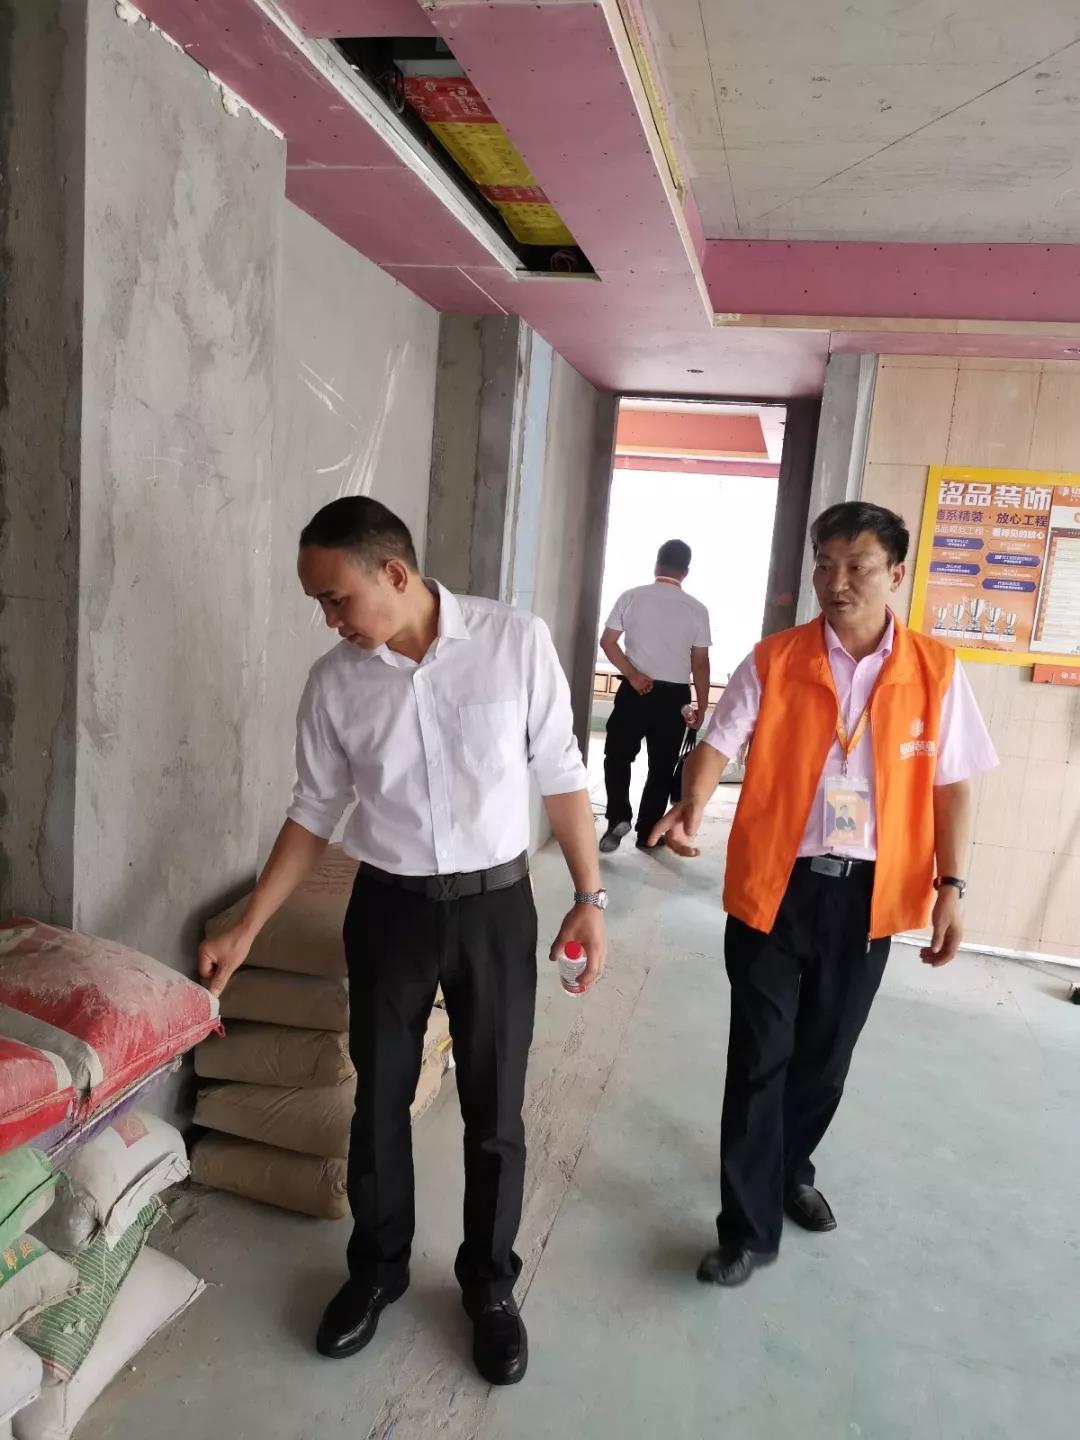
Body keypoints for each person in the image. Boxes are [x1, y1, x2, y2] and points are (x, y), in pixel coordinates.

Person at [198, 497, 608, 1385]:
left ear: (394, 572)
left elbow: (561, 771)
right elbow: (314, 812)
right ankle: (378, 1269)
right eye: (319, 604)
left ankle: (489, 1287)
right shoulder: (334, 684)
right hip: (389, 911)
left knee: (494, 1109)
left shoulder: (514, 642)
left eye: (336, 598)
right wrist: (248, 925)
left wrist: (589, 896)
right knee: (379, 1100)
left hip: (496, 909)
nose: (330, 620)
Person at [650, 501, 998, 1287]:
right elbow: (718, 742)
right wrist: (693, 803)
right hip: (775, 888)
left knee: (825, 1061)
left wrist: (951, 885)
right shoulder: (775, 659)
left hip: (870, 896)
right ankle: (746, 1231)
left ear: (895, 574)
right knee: (759, 1059)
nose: (836, 582)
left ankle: (790, 1168)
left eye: (857, 567)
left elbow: (952, 786)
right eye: (825, 565)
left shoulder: (936, 671)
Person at [598, 539, 711, 853]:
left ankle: (618, 816)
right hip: (674, 699)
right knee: (661, 768)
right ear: (685, 572)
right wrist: (701, 707)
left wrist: (633, 675)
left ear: (657, 565)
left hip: (634, 691)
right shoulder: (697, 609)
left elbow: (607, 642)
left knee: (617, 756)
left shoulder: (632, 596)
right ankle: (648, 832)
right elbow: (700, 663)